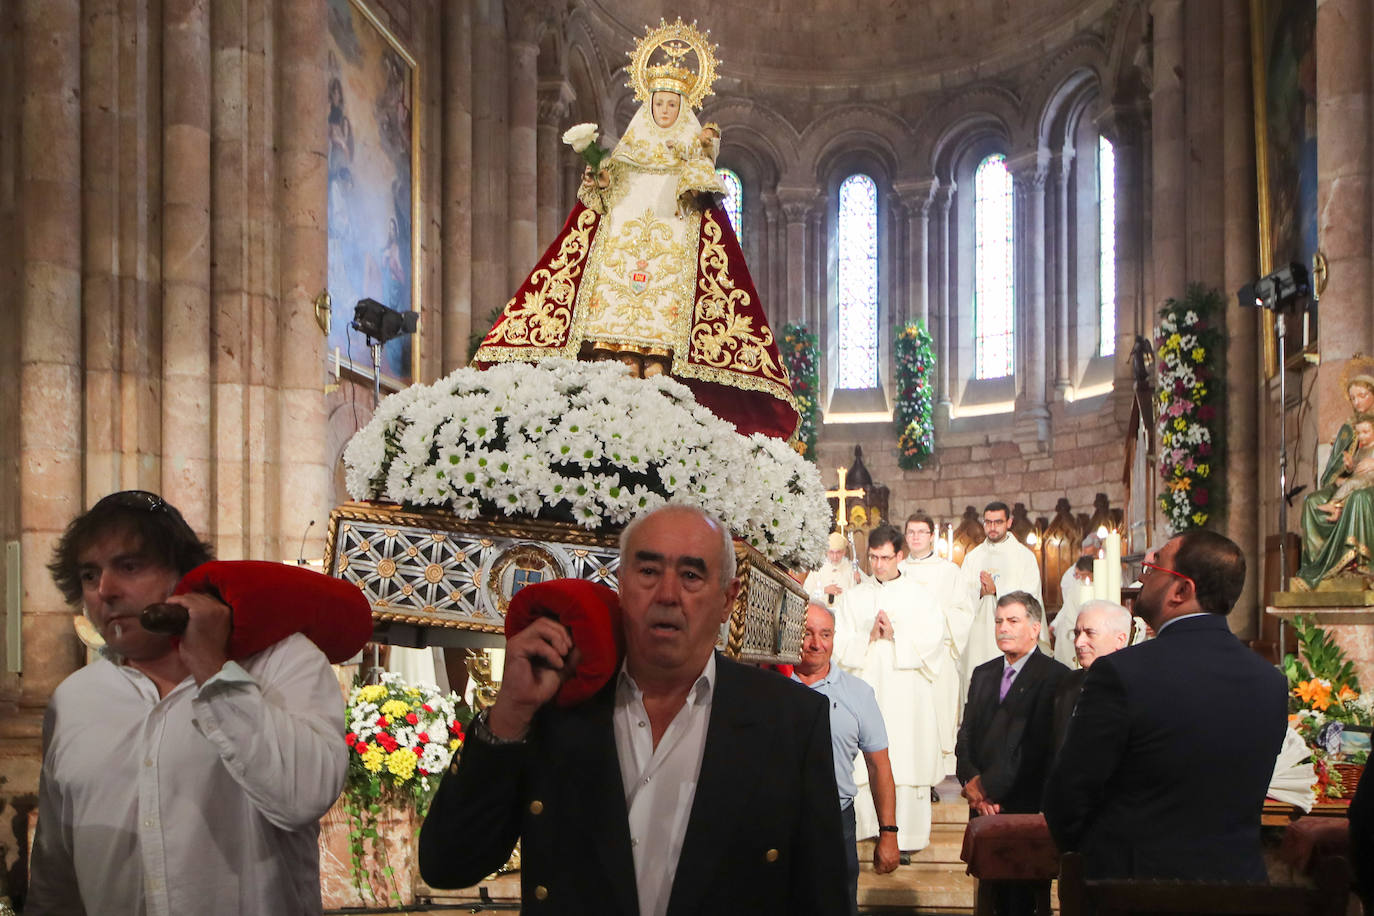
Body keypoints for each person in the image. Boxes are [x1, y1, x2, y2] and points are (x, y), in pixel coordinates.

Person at [418, 504, 847, 915]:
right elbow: (449, 864)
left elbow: (820, 898)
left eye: (692, 575)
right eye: (648, 571)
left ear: (728, 599)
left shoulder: (789, 721)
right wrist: (509, 714)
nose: (667, 594)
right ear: (621, 584)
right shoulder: (558, 709)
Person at [472, 20, 798, 440]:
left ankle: (658, 388)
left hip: (669, 274)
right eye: (658, 103)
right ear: (649, 105)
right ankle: (613, 380)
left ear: (683, 108)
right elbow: (596, 207)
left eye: (671, 105)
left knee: (661, 356)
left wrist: (702, 152)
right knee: (610, 346)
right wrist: (599, 180)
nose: (664, 111)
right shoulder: (624, 158)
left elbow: (704, 189)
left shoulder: (688, 155)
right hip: (618, 272)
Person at [27, 490, 347, 915]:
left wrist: (213, 670)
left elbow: (303, 796)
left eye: (129, 566)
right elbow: (56, 874)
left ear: (183, 576)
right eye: (89, 574)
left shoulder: (283, 663)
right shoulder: (75, 700)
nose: (104, 590)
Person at [1044, 530, 1288, 880]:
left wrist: (1094, 857)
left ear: (1181, 591)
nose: (1143, 575)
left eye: (1154, 566)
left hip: (1135, 889)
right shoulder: (1271, 682)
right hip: (1236, 886)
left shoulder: (1121, 673)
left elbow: (1068, 793)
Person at [834, 524, 943, 852]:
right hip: (868, 687)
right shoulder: (854, 598)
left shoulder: (920, 596)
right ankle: (866, 829)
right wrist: (867, 636)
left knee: (905, 756)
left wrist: (895, 634)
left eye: (885, 557)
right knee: (865, 761)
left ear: (900, 555)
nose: (878, 565)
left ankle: (907, 836)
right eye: (873, 557)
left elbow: (933, 641)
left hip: (907, 695)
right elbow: (837, 643)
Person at [793, 602, 899, 915]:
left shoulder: (858, 694)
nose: (816, 643)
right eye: (807, 633)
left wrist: (889, 834)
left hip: (835, 821)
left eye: (825, 634)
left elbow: (879, 766)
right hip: (780, 819)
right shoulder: (771, 686)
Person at [956, 591, 1069, 818]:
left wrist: (986, 787)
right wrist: (972, 783)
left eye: (1013, 621)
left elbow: (1036, 746)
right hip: (980, 808)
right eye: (999, 621)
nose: (1003, 628)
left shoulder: (1055, 676)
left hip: (1025, 804)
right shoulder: (983, 673)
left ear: (1035, 629)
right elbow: (966, 734)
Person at [898, 512, 973, 774]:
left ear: (932, 536)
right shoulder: (898, 571)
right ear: (905, 537)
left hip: (939, 656)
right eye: (911, 532)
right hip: (905, 656)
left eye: (921, 532)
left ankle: (937, 773)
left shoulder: (949, 571)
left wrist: (937, 615)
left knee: (937, 714)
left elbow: (964, 612)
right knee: (910, 716)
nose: (916, 537)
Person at [1296, 357, 1374, 588]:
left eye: (1362, 395)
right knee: (1311, 502)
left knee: (1359, 499)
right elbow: (1334, 469)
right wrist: (1343, 472)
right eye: (1353, 397)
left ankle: (1360, 565)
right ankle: (1317, 572)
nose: (1357, 402)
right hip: (1351, 483)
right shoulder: (1349, 429)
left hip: (1368, 488)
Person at [958, 502, 1046, 699]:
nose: (992, 527)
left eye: (998, 522)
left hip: (1012, 633)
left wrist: (998, 591)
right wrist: (980, 592)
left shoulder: (1024, 557)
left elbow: (1030, 597)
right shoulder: (973, 558)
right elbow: (961, 598)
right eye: (988, 522)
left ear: (1009, 522)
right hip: (978, 635)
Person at [1052, 600, 1131, 749]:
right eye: (1076, 633)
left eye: (1090, 633)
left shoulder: (1134, 688)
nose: (1078, 643)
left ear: (1120, 640)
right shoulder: (1067, 682)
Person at [1050, 555, 1095, 666]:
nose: (1079, 578)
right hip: (1069, 631)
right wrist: (1054, 624)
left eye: (1083, 575)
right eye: (1077, 574)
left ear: (1092, 572)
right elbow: (1067, 608)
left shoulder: (1102, 586)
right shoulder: (1076, 586)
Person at [804, 531, 862, 607]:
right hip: (821, 613)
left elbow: (860, 594)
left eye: (838, 552)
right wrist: (824, 590)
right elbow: (806, 593)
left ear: (844, 552)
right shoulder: (818, 568)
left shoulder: (851, 568)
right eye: (831, 552)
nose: (835, 557)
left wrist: (859, 581)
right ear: (826, 552)